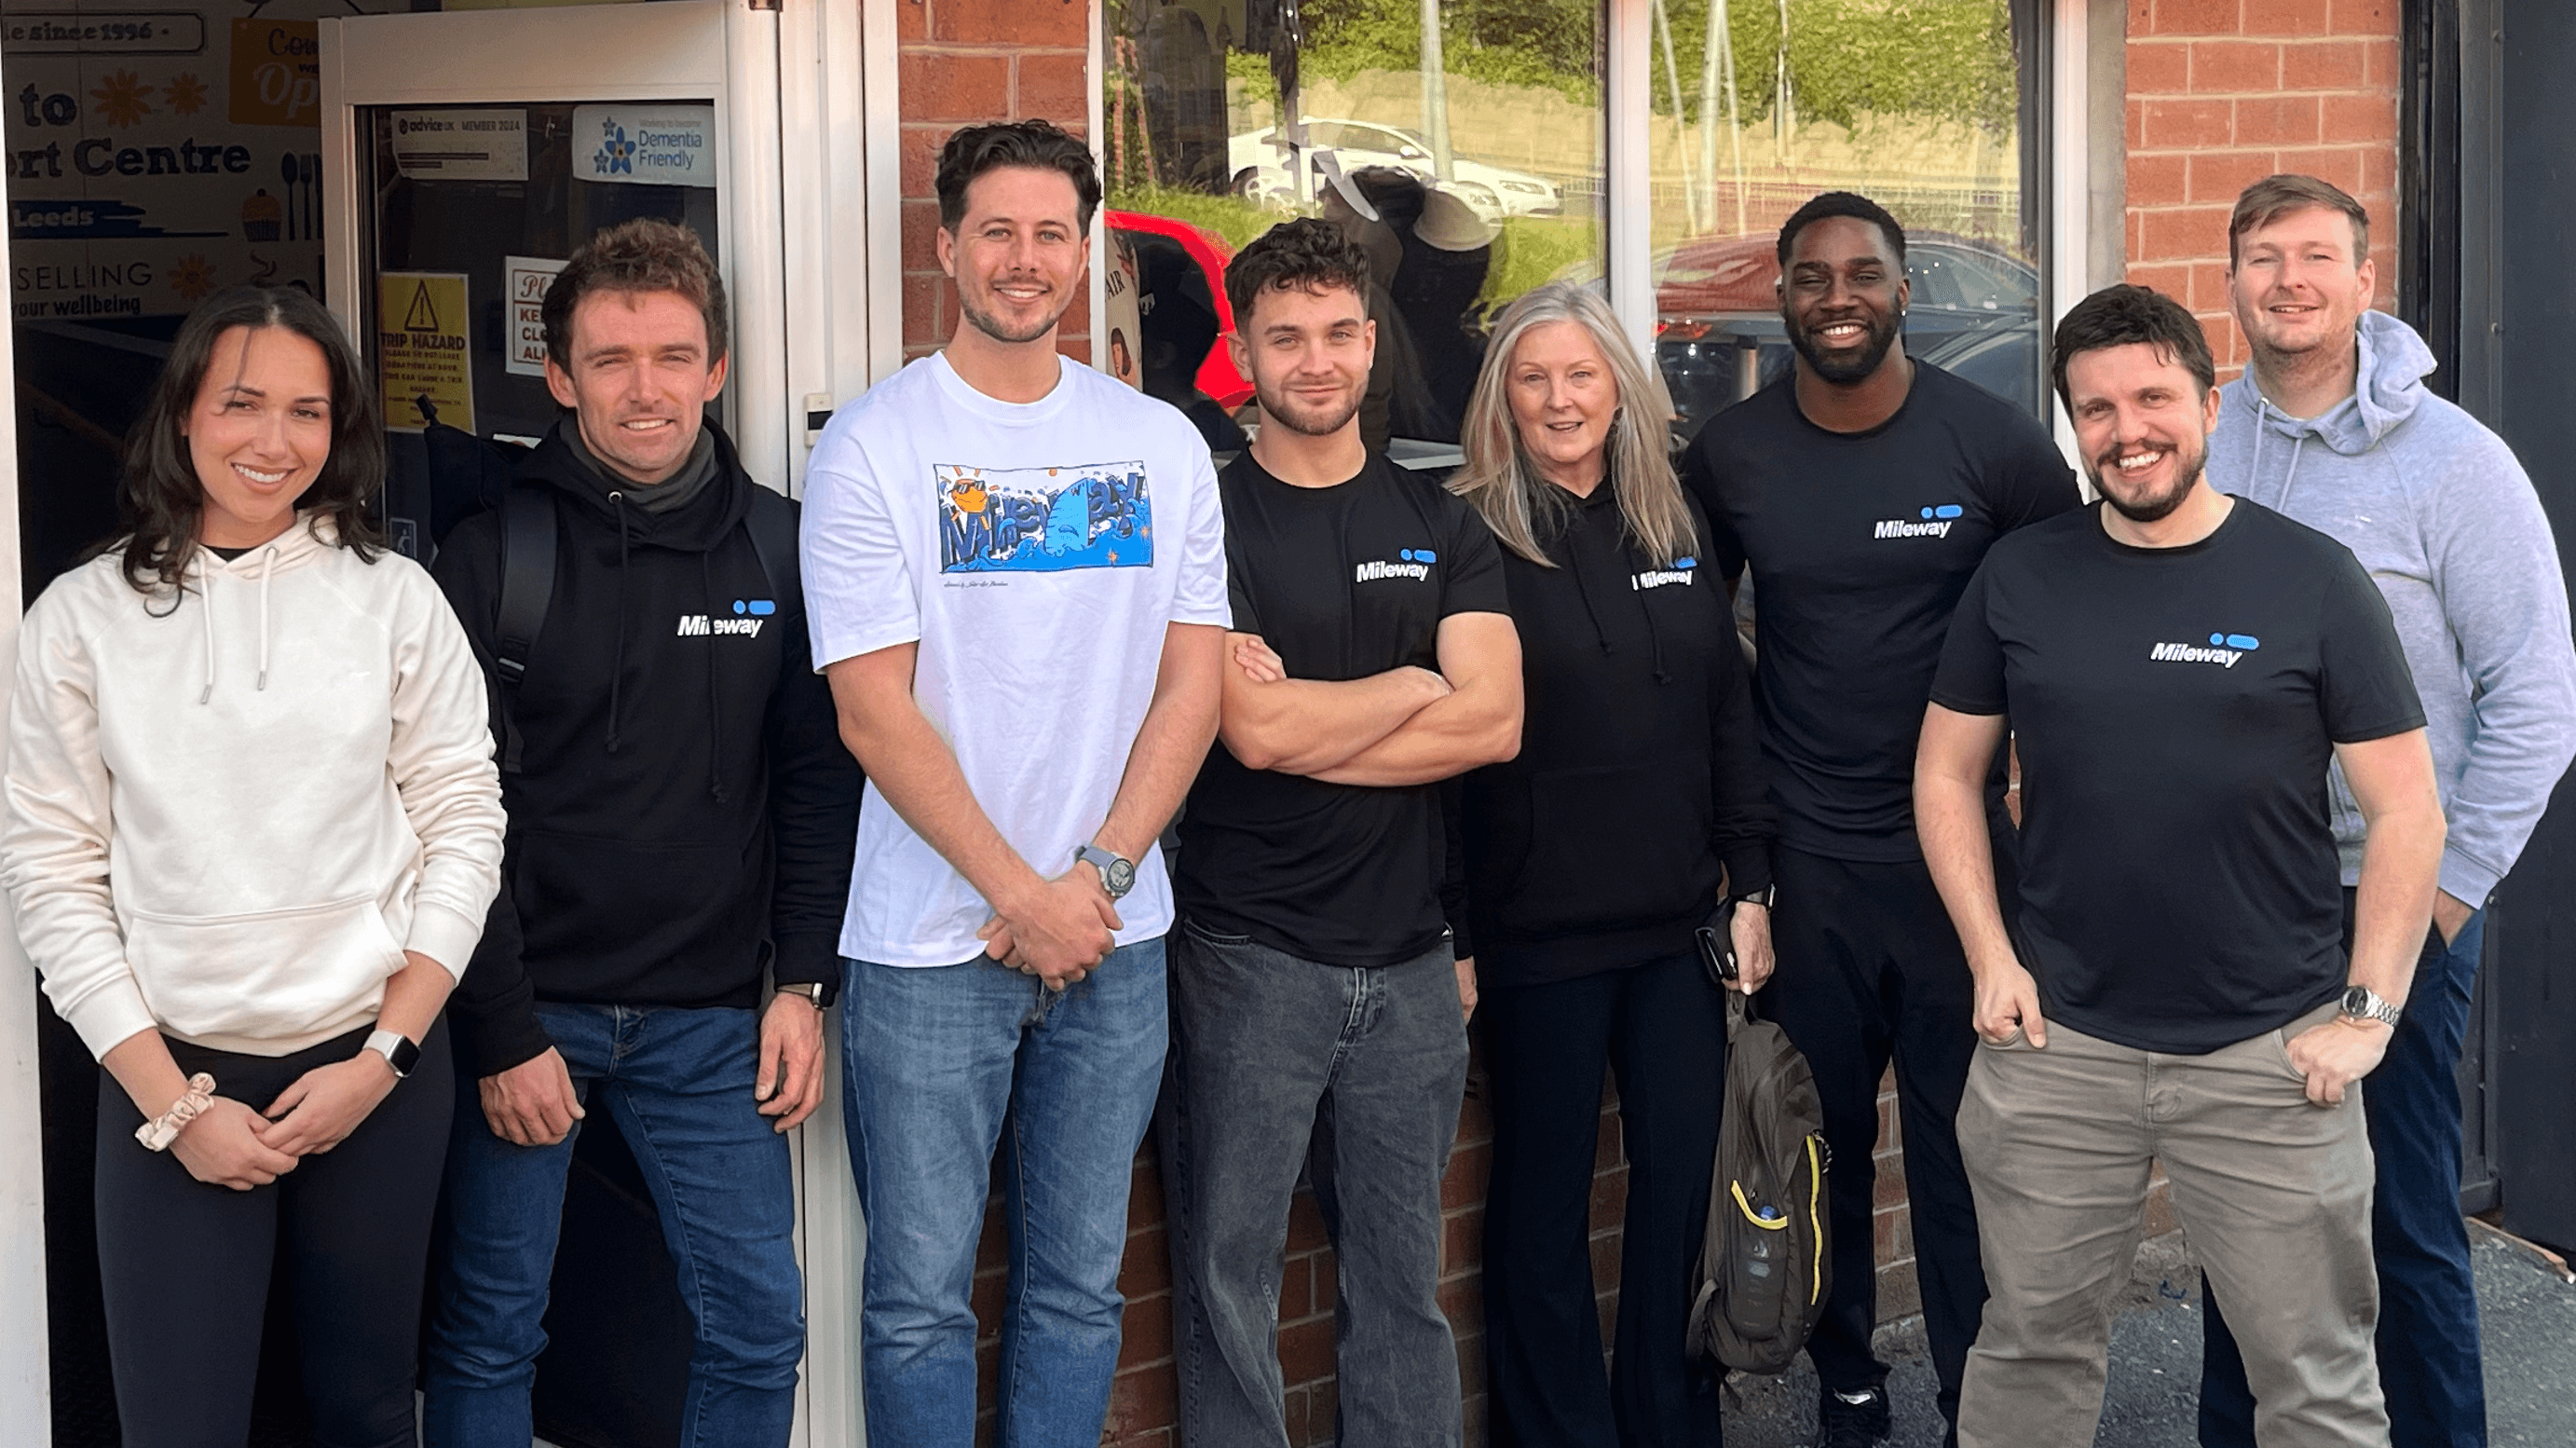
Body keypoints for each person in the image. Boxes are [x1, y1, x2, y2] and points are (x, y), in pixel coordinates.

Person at [1919, 282, 2445, 1448]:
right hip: (2058, 1052)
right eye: (2094, 408)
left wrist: (2365, 1009)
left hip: (2267, 1054)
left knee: (2313, 1386)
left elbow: (2405, 810)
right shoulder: (2020, 576)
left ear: (2208, 403)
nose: (2126, 430)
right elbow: (1945, 776)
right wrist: (1989, 958)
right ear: (2070, 424)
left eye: (2152, 395)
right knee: (2025, 1354)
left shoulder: (2309, 581)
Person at [1, 284, 506, 1446]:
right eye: (241, 404)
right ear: (183, 411)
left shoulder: (395, 602)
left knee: (369, 1412)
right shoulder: (79, 620)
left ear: (340, 432)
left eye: (306, 412)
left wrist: (385, 1057)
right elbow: (52, 875)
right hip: (168, 1085)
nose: (272, 443)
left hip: (374, 1067)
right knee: (181, 1424)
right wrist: (179, 1110)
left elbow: (463, 822)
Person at [800, 119, 1229, 1446]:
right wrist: (1021, 897)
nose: (1025, 258)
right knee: (922, 1296)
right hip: (928, 947)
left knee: (1075, 1285)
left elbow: (1194, 685)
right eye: (996, 230)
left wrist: (1092, 879)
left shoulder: (1157, 444)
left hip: (1116, 933)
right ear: (947, 247)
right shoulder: (873, 445)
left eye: (1051, 232)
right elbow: (873, 714)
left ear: (1083, 249)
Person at [420, 219, 860, 1448]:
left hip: (715, 1025)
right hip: (529, 1012)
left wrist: (801, 982)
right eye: (610, 359)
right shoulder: (492, 554)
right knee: (492, 1325)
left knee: (757, 1326)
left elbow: (819, 782)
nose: (645, 387)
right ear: (559, 377)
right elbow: (444, 816)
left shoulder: (781, 544)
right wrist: (502, 1028)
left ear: (716, 369)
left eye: (674, 356)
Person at [1674, 190, 2079, 1447]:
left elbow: (2072, 635)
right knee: (1819, 1150)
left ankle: (1977, 1401)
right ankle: (1849, 1379)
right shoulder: (1730, 456)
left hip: (1961, 877)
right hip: (1811, 866)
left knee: (1971, 1165)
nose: (1836, 296)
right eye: (1809, 276)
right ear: (1781, 296)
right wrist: (1740, 870)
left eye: (1862, 274)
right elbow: (1697, 664)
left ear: (1905, 292)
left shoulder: (1996, 445)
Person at [2195, 174, 2576, 1448]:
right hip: (2232, 900)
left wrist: (2450, 889)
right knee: (2240, 1220)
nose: (2288, 280)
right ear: (2232, 278)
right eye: (2262, 256)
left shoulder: (2454, 464)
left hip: (2389, 895)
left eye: (2316, 257)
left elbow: (2537, 691)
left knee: (2400, 1219)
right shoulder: (2205, 439)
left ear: (2366, 284)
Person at [1159, 216, 1521, 1448]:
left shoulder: (1443, 521)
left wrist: (1315, 711)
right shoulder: (1206, 521)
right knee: (1227, 1275)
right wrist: (1413, 684)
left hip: (1413, 961)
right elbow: (1249, 738)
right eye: (1285, 339)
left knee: (1400, 1286)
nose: (1314, 362)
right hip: (1249, 955)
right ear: (1239, 352)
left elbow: (1496, 722)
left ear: (1372, 343)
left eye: (1336, 335)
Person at [1450, 280, 1773, 1447]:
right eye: (1532, 378)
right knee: (1540, 1208)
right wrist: (1458, 933)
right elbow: (1443, 756)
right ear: (1502, 397)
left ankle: (1668, 1422)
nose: (1558, 399)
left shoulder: (1674, 522)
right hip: (1535, 930)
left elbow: (1723, 715)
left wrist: (1749, 883)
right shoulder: (1469, 530)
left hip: (1677, 924)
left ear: (1621, 389)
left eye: (1580, 375)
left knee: (1677, 1192)